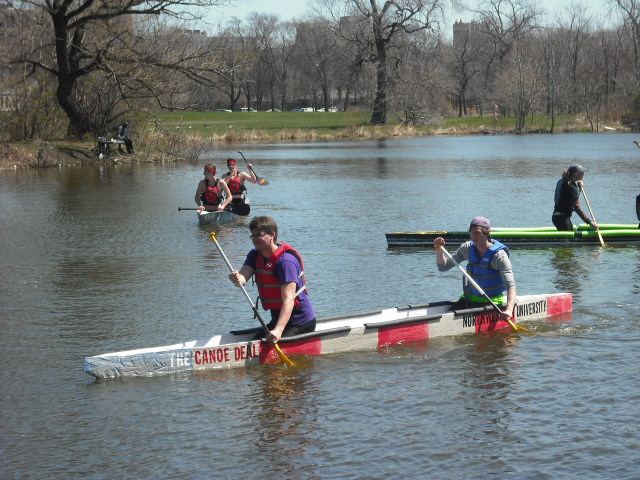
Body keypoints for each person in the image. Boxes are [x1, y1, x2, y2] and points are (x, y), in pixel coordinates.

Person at [228, 216, 316, 343]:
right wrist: (236, 278)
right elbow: (242, 279)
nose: (254, 240)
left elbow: (289, 299)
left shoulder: (285, 262)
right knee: (256, 343)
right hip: (277, 321)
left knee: (266, 347)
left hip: (300, 323)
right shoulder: (254, 255)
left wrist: (278, 330)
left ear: (272, 235)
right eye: (252, 235)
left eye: (259, 235)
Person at [433, 216, 516, 320]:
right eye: (471, 233)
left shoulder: (499, 256)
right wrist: (439, 250)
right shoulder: (467, 248)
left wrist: (509, 310)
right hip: (470, 299)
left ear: (487, 233)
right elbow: (443, 267)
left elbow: (510, 286)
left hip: (493, 302)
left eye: (477, 233)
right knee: (446, 318)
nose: (473, 236)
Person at [552, 165, 597, 231]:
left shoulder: (562, 181)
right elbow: (576, 207)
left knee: (570, 234)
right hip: (562, 218)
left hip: (557, 217)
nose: (583, 174)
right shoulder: (572, 187)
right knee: (569, 239)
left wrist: (579, 188)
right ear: (576, 174)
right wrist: (589, 222)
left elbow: (570, 199)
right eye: (582, 173)